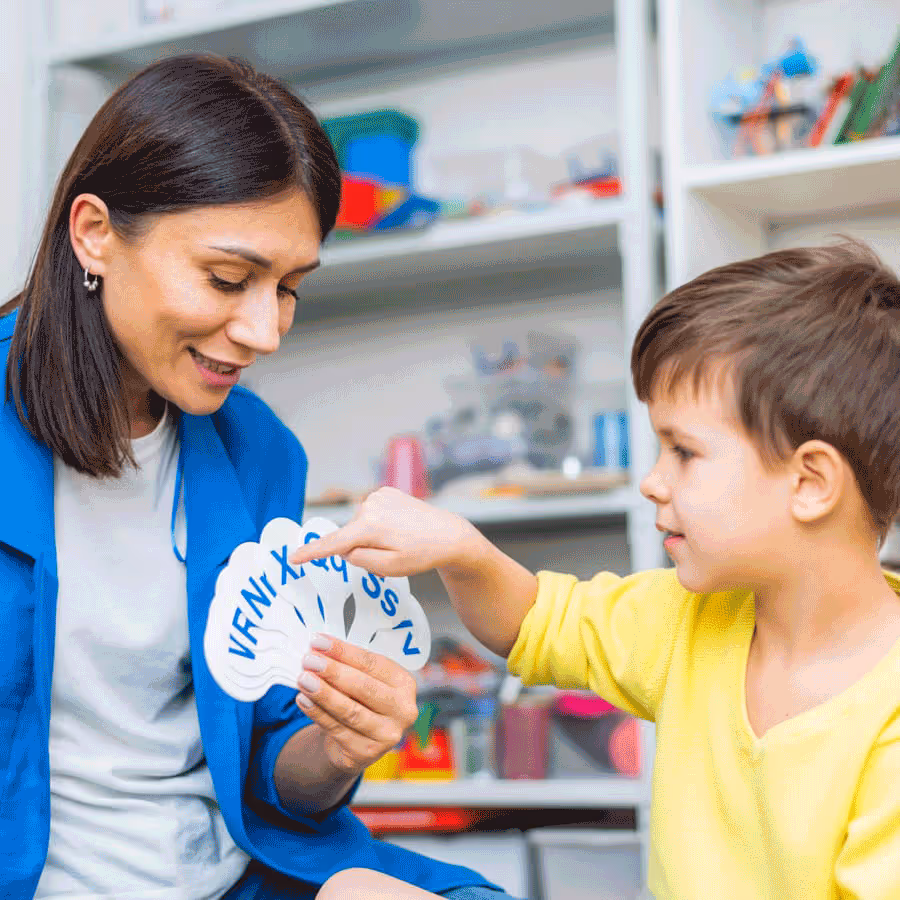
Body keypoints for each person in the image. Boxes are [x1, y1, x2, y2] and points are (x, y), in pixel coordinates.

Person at [0, 52, 521, 900]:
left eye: (289, 290)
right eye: (228, 278)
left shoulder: (258, 452)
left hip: (234, 878)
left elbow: (275, 775)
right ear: (94, 232)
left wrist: (339, 742)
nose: (265, 331)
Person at [292, 239, 900, 900]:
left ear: (810, 482)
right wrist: (461, 548)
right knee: (356, 890)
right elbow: (531, 626)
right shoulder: (688, 617)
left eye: (684, 453)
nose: (651, 482)